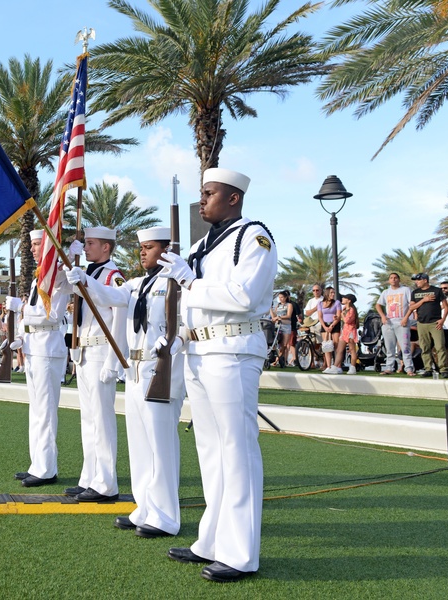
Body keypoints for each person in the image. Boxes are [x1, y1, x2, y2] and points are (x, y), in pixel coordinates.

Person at [157, 167, 276, 582]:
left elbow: (244, 295)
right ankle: (210, 540)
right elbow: (188, 300)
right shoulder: (201, 244)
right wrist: (178, 334)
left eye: (209, 193)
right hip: (200, 351)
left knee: (238, 450)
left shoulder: (253, 237)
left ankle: (241, 554)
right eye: (202, 193)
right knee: (210, 452)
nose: (202, 199)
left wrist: (192, 281)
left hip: (233, 350)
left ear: (233, 198)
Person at [67, 226, 186, 537]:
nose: (143, 252)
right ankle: (145, 506)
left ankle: (165, 517)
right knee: (140, 445)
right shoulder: (136, 284)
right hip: (134, 370)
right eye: (141, 247)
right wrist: (84, 280)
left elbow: (184, 323)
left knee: (161, 446)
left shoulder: (176, 283)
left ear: (165, 249)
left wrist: (176, 343)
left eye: (149, 247)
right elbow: (111, 296)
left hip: (160, 367)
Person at [6, 229, 74, 488]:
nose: (33, 249)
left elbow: (51, 315)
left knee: (45, 412)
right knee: (36, 411)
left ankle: (46, 469)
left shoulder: (56, 275)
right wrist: (21, 337)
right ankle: (39, 463)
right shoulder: (39, 278)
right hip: (34, 346)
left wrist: (20, 307)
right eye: (32, 245)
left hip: (48, 348)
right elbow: (34, 316)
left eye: (37, 245)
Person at [65, 225, 127, 503]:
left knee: (102, 420)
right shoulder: (89, 272)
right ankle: (89, 477)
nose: (86, 247)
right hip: (85, 352)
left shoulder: (113, 276)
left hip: (102, 351)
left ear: (106, 247)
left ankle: (106, 484)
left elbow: (119, 315)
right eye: (85, 243)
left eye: (90, 243)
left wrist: (114, 361)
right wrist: (69, 258)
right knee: (88, 420)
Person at [404, 273, 448, 377]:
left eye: (418, 280)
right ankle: (428, 368)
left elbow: (446, 307)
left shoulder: (437, 291)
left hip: (435, 323)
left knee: (440, 346)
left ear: (425, 280)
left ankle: (443, 369)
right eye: (416, 280)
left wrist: (443, 320)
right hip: (421, 323)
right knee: (425, 347)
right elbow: (412, 307)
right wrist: (424, 300)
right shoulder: (415, 293)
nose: (416, 282)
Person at [375, 273, 415, 376]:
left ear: (399, 279)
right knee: (389, 348)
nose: (393, 280)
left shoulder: (405, 290)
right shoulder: (386, 292)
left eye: (395, 278)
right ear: (389, 280)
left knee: (405, 347)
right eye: (391, 278)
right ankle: (389, 367)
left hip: (402, 323)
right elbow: (378, 305)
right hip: (389, 323)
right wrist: (383, 316)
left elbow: (412, 305)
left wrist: (406, 317)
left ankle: (409, 368)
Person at [330, 294, 359, 374]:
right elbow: (343, 319)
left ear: (349, 300)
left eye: (345, 298)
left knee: (352, 350)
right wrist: (337, 318)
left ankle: (353, 367)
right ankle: (335, 366)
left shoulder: (352, 309)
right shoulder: (345, 308)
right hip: (345, 331)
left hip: (350, 331)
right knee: (339, 349)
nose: (342, 299)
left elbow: (347, 320)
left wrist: (341, 314)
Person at [317, 287, 341, 370]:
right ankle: (328, 366)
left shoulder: (337, 303)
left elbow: (338, 315)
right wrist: (325, 326)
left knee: (336, 345)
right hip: (325, 325)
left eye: (334, 293)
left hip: (334, 324)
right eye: (331, 292)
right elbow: (320, 316)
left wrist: (332, 325)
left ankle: (337, 365)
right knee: (327, 345)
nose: (333, 294)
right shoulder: (320, 303)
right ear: (327, 293)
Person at [269, 291, 295, 367]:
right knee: (277, 343)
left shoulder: (289, 305)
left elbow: (288, 315)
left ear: (286, 297)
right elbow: (274, 315)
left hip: (286, 325)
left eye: (282, 297)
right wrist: (270, 309)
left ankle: (278, 360)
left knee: (284, 344)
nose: (280, 299)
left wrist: (279, 317)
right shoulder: (278, 305)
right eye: (279, 297)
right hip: (278, 325)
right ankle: (277, 360)